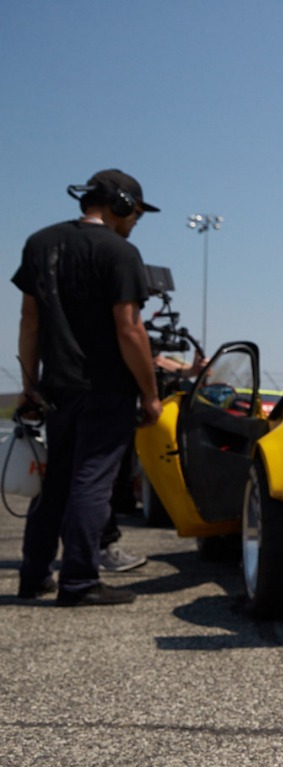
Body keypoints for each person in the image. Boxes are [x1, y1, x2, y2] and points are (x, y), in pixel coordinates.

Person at [12, 169, 163, 606]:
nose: (135, 222)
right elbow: (129, 329)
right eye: (136, 213)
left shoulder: (40, 243)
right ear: (121, 204)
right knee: (92, 482)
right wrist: (150, 393)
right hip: (106, 387)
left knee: (56, 482)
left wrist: (30, 385)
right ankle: (79, 582)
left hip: (58, 388)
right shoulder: (120, 252)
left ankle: (34, 576)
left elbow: (29, 321)